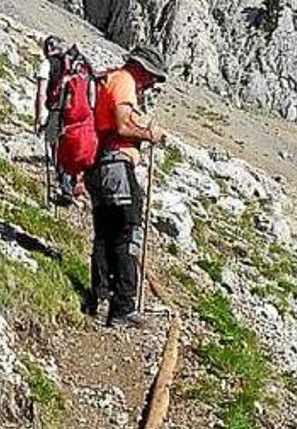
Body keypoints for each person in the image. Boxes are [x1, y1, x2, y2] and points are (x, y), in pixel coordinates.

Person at [84, 45, 167, 328]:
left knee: (105, 232)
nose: (153, 83)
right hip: (117, 166)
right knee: (127, 231)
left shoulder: (110, 79)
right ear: (141, 67)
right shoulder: (125, 82)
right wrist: (148, 134)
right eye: (153, 76)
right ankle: (123, 307)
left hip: (99, 167)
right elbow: (121, 126)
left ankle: (99, 297)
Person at [34, 35, 75, 206]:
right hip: (73, 112)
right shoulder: (72, 64)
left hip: (56, 111)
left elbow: (41, 92)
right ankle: (73, 183)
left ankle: (65, 189)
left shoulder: (47, 64)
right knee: (68, 146)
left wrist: (39, 116)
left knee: (54, 146)